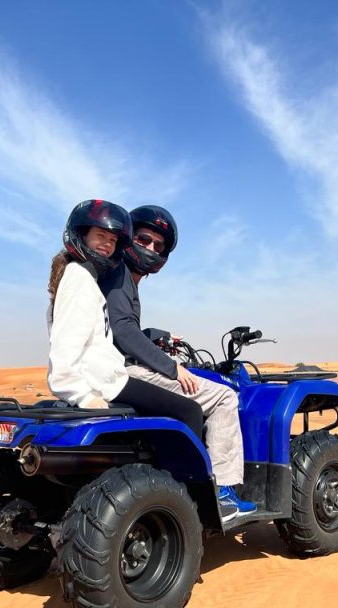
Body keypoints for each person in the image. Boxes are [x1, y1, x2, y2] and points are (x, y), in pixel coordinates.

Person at [99, 205, 256, 516]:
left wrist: (155, 341)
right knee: (225, 397)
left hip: (112, 367)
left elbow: (120, 329)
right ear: (129, 237)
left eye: (158, 245)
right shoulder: (118, 275)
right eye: (144, 239)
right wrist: (173, 367)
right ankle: (223, 491)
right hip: (122, 372)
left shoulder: (123, 279)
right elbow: (123, 331)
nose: (151, 249)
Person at [47, 200, 203, 439]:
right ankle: (188, 477)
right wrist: (82, 396)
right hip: (105, 381)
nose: (107, 245)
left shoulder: (88, 278)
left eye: (112, 240)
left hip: (107, 376)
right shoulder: (79, 278)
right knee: (190, 410)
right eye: (101, 236)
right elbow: (65, 345)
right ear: (81, 235)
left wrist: (158, 336)